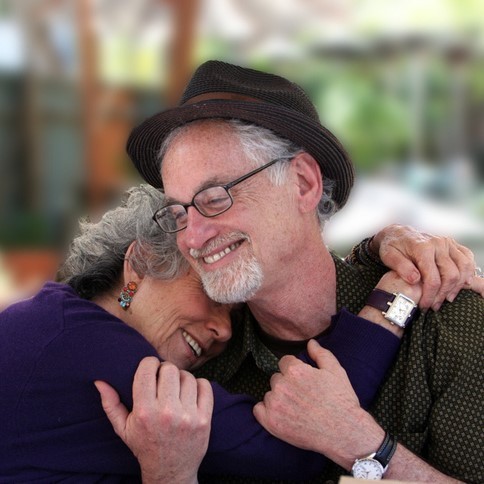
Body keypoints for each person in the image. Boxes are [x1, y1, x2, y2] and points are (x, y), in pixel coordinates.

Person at [111, 60, 484, 483]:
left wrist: (363, 446)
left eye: (215, 197)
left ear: (303, 183)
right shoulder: (195, 370)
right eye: (179, 212)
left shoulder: (451, 325)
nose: (192, 237)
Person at [0, 184, 434, 483]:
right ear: (141, 263)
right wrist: (396, 296)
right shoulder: (87, 347)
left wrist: (378, 244)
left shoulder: (55, 323)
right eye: (211, 293)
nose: (225, 330)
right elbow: (292, 444)